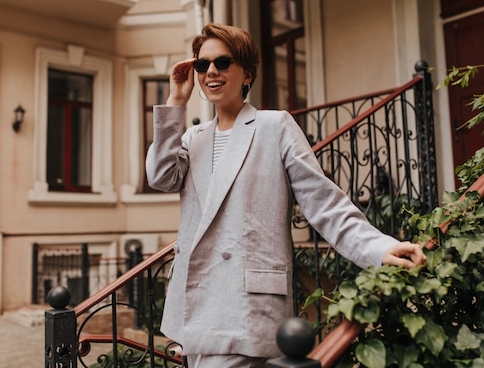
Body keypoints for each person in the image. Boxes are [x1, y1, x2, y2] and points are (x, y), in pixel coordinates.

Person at [146, 23, 426, 368]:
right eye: (203, 65)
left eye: (223, 62)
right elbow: (160, 177)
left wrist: (379, 247)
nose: (211, 72)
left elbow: (323, 202)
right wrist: (176, 100)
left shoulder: (274, 126)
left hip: (245, 304)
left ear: (247, 73)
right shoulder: (193, 138)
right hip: (195, 306)